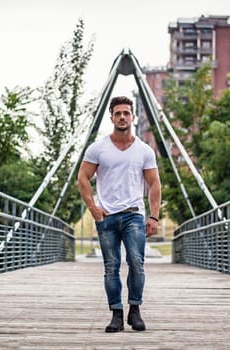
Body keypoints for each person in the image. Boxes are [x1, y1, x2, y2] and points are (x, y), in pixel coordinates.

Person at [77, 96, 161, 332]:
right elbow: (82, 178)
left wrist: (153, 216)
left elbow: (154, 184)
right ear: (111, 117)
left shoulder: (144, 151)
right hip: (107, 217)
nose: (122, 117)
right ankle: (116, 314)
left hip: (134, 214)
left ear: (132, 117)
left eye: (126, 113)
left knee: (137, 264)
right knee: (111, 266)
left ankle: (135, 311)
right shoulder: (98, 148)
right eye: (118, 113)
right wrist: (93, 208)